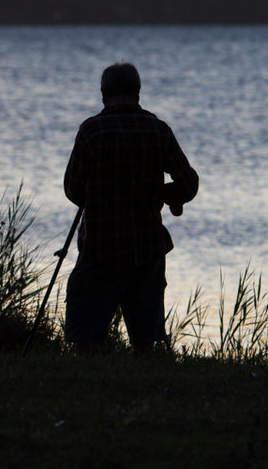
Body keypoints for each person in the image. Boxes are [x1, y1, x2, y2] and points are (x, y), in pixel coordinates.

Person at [63, 62, 198, 354]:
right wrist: (161, 194)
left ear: (103, 95)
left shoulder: (91, 131)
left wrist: (101, 195)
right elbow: (189, 183)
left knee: (85, 336)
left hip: (100, 248)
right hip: (146, 249)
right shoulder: (158, 130)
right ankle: (148, 385)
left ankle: (86, 385)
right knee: (146, 340)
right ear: (138, 93)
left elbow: (72, 190)